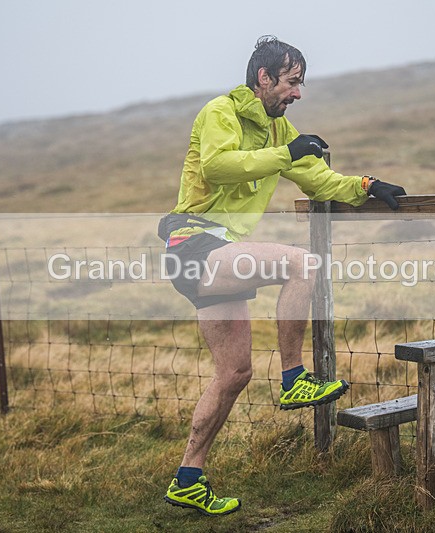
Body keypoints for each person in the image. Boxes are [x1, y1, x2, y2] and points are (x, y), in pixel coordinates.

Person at [160, 35, 406, 516]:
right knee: (302, 263)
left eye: (301, 84)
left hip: (219, 254)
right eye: (292, 82)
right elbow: (219, 166)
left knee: (234, 374)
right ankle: (294, 378)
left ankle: (188, 477)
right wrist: (288, 152)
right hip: (193, 243)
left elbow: (318, 178)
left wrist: (367, 185)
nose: (298, 93)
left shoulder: (278, 131)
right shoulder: (220, 113)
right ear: (264, 78)